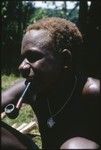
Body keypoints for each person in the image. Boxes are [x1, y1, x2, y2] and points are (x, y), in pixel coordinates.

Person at [1, 17, 100, 149]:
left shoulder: (93, 93)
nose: (21, 66)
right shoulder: (32, 88)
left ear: (65, 60)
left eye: (33, 57)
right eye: (23, 58)